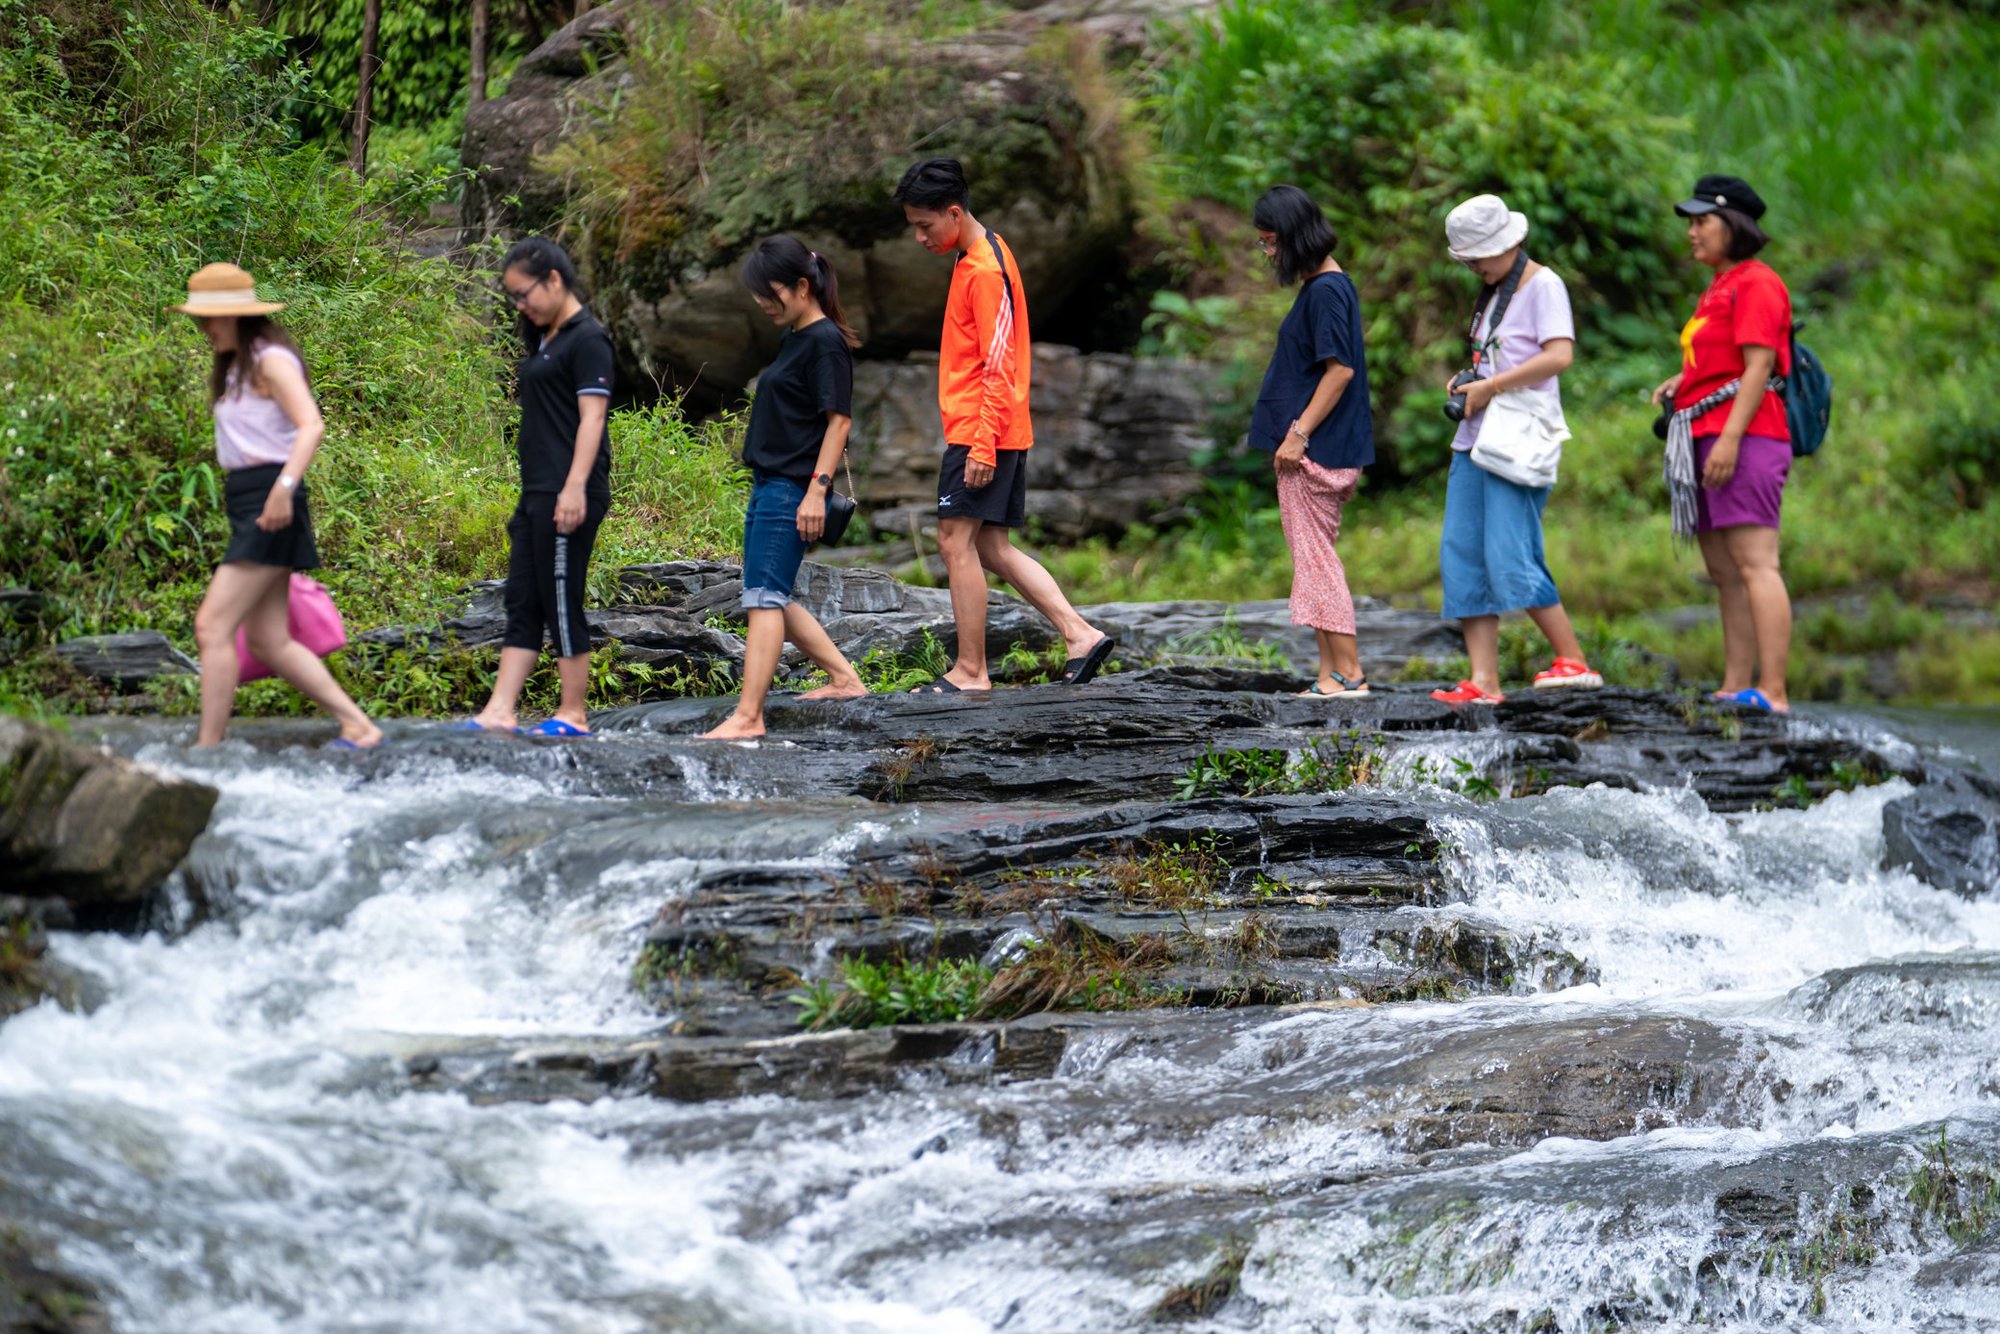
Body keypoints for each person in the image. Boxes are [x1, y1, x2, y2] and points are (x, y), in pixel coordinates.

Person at [891, 157, 1113, 694]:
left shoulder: (985, 270)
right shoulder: (982, 253)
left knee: (952, 541)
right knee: (992, 549)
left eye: (925, 225)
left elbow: (999, 364)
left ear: (953, 211)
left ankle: (971, 670)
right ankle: (1079, 633)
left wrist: (983, 445)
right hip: (993, 429)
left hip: (982, 431)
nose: (920, 237)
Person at [176, 263, 383, 750]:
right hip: (252, 496)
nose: (204, 329)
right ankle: (358, 725)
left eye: (209, 319)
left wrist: (283, 489)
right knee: (268, 639)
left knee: (212, 624)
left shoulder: (271, 360)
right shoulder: (238, 363)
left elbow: (311, 424)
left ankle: (208, 749)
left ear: (238, 317)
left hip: (272, 497)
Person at [1429, 194, 1602, 707]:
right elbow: (1497, 356)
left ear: (1510, 242)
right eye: (1470, 258)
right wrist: (1471, 381)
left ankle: (1573, 662)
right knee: (1461, 553)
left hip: (1517, 443)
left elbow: (1559, 355)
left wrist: (1493, 385)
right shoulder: (1493, 288)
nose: (1475, 265)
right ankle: (1484, 682)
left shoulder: (1543, 284)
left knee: (1510, 552)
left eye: (1481, 254)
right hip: (1476, 440)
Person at [699, 236, 870, 740]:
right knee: (768, 592)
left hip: (792, 487)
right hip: (769, 483)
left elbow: (839, 422)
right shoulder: (796, 335)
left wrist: (816, 490)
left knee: (765, 599)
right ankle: (844, 678)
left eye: (769, 293)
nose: (762, 303)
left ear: (801, 285)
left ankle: (749, 717)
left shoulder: (825, 341)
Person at [1650, 174, 1794, 713]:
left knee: (1756, 563)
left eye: (1700, 221)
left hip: (1747, 437)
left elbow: (1759, 365)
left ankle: (1774, 692)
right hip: (1703, 438)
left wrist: (1731, 437)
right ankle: (1735, 686)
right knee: (1724, 572)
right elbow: (1722, 362)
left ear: (1731, 224)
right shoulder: (1719, 284)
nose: (1691, 232)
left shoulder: (1757, 281)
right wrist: (1680, 382)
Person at [464, 237, 615, 736]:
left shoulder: (587, 338)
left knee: (560, 594)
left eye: (524, 294)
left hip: (570, 491)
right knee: (523, 598)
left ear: (554, 279)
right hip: (537, 491)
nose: (520, 305)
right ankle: (500, 710)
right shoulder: (546, 338)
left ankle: (573, 713)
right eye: (513, 298)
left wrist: (573, 488)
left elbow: (592, 419)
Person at [1248, 184, 1373, 697]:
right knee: (1313, 558)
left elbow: (1339, 371)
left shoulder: (1325, 291)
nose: (1267, 252)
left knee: (1317, 560)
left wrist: (1298, 434)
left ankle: (1350, 673)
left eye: (1271, 242)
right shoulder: (1326, 286)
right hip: (1316, 450)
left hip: (1316, 453)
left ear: (1294, 238)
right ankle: (1331, 675)